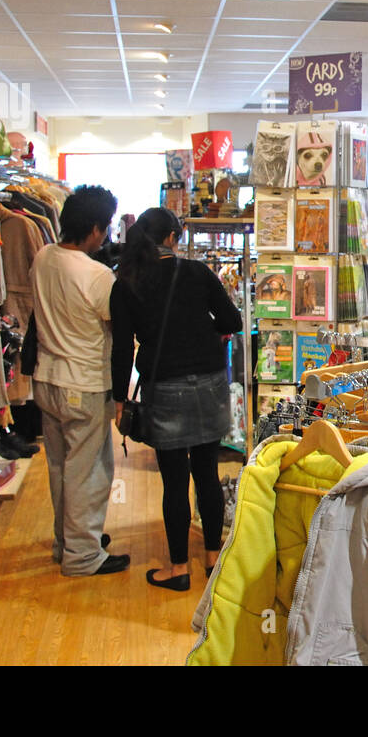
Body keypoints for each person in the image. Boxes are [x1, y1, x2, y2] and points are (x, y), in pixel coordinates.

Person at [111, 207, 243, 591]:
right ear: (171, 238)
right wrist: (206, 330)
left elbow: (121, 347)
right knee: (207, 474)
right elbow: (232, 322)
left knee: (173, 480)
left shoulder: (127, 281)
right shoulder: (196, 272)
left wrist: (119, 399)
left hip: (164, 385)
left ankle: (178, 568)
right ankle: (213, 559)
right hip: (209, 381)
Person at [31, 185, 130, 576]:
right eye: (103, 228)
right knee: (88, 471)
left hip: (46, 378)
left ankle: (67, 542)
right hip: (83, 383)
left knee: (59, 467)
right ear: (93, 229)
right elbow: (117, 330)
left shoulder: (43, 257)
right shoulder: (97, 274)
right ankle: (83, 556)